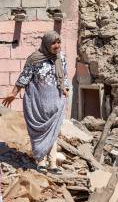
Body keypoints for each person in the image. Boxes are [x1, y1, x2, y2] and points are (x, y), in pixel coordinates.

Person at [1, 31, 69, 174]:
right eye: (53, 43)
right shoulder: (34, 59)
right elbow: (24, 78)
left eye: (59, 42)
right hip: (38, 103)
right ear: (46, 44)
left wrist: (65, 89)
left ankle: (53, 163)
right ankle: (41, 161)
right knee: (39, 133)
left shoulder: (61, 58)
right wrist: (14, 93)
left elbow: (64, 76)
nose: (57, 46)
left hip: (56, 102)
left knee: (53, 132)